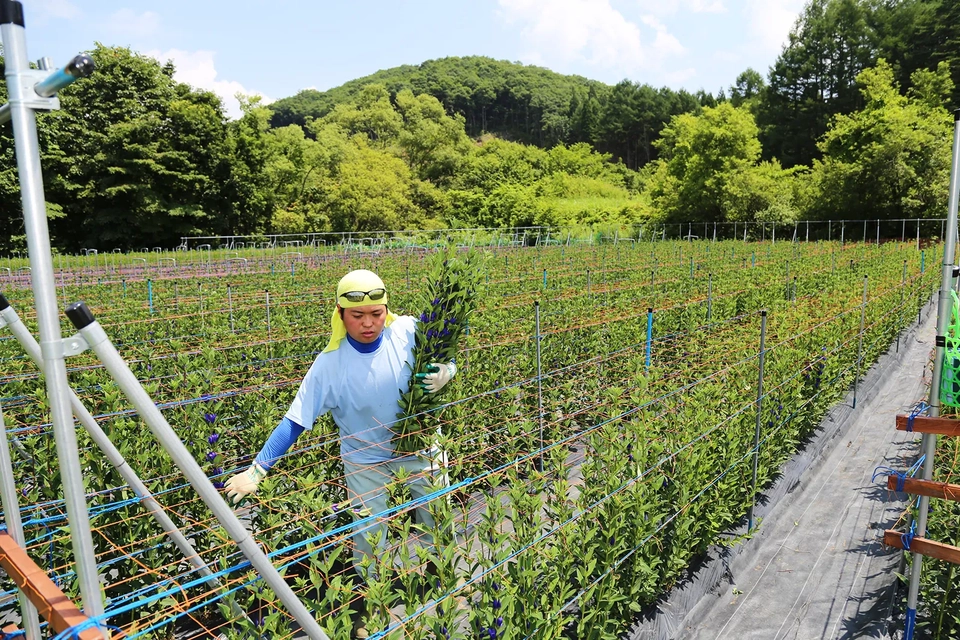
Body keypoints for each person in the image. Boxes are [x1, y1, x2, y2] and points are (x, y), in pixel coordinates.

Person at [222, 270, 456, 610]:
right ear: (340, 313)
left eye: (376, 314)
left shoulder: (408, 331)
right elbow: (295, 420)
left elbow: (448, 354)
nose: (368, 323)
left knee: (437, 515)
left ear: (386, 310)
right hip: (365, 457)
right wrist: (256, 472)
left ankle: (441, 580)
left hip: (419, 445)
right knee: (369, 534)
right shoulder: (330, 364)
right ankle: (372, 606)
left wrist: (446, 373)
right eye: (357, 315)